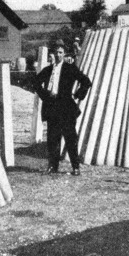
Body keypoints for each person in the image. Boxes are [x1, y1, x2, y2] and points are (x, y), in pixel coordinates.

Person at [33, 40, 92, 176]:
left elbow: (86, 81)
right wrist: (45, 95)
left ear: (64, 54)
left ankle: (75, 167)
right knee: (53, 138)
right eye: (56, 52)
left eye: (61, 52)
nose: (58, 55)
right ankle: (52, 166)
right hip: (52, 107)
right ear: (53, 54)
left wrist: (77, 95)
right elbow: (35, 82)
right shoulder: (48, 70)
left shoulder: (70, 68)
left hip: (66, 108)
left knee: (70, 138)